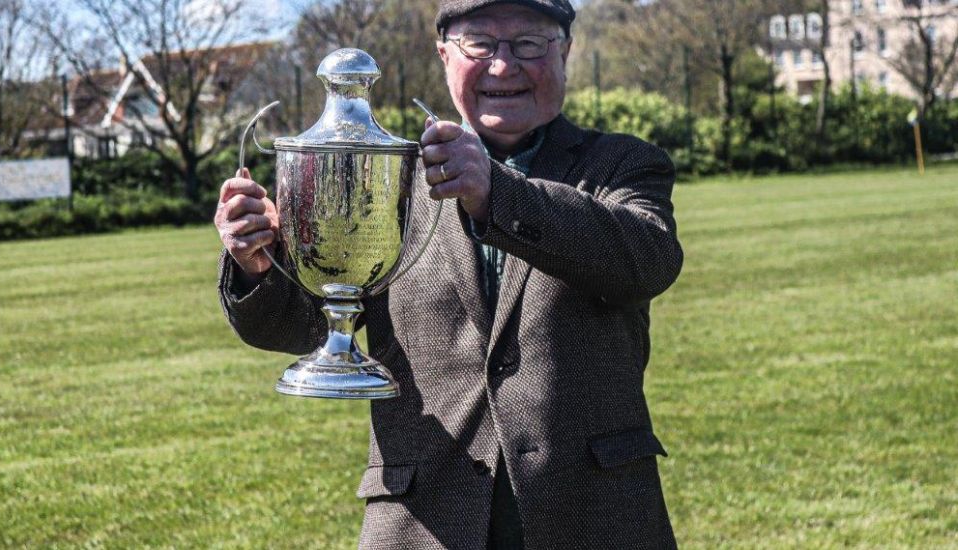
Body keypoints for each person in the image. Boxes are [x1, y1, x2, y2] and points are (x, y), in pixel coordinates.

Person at [213, 0, 683, 547]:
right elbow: (304, 331)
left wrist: (496, 192)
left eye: (528, 44)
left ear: (566, 51)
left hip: (594, 518)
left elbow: (646, 260)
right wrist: (256, 264)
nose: (504, 67)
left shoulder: (623, 164)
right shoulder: (390, 174)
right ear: (443, 57)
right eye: (479, 44)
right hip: (424, 522)